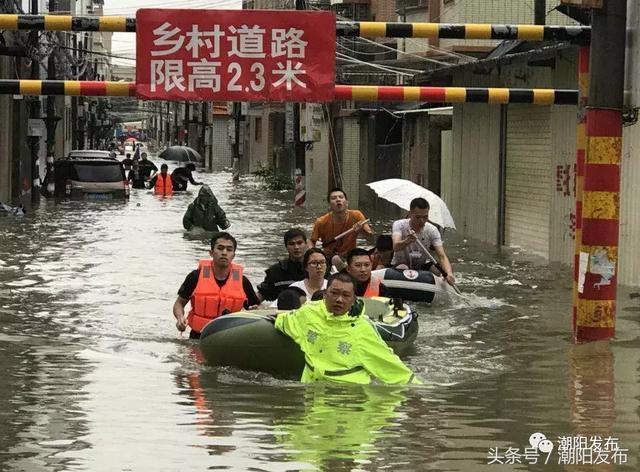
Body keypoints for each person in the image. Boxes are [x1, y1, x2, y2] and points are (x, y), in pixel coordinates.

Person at [274, 272, 421, 385]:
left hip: (348, 400)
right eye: (334, 293)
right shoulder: (308, 313)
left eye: (345, 295)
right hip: (311, 392)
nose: (339, 300)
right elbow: (284, 321)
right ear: (325, 294)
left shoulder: (362, 330)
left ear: (353, 300)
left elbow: (391, 366)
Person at [173, 232, 260, 339]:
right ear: (211, 253)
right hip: (199, 336)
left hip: (230, 337)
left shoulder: (243, 281)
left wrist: (253, 312)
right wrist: (180, 318)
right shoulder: (195, 276)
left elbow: (255, 309)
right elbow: (179, 303)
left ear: (233, 255)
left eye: (229, 249)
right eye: (220, 248)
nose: (224, 253)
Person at [391, 197, 455, 285]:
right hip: (400, 266)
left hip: (421, 267)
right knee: (403, 267)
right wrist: (407, 241)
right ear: (410, 214)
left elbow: (442, 256)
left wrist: (449, 273)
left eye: (425, 217)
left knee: (444, 268)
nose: (422, 221)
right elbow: (396, 246)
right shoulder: (399, 225)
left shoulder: (432, 230)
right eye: (417, 217)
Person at [309, 188, 374, 259]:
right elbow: (312, 241)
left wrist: (361, 230)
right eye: (334, 198)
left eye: (341, 197)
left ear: (347, 202)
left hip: (350, 257)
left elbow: (371, 238)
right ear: (329, 205)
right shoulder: (321, 222)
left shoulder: (357, 215)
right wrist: (313, 255)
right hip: (329, 258)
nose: (338, 200)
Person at [256, 228, 308, 302]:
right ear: (286, 247)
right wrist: (250, 304)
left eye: (299, 243)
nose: (296, 247)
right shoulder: (276, 271)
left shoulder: (316, 267)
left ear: (306, 244)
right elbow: (262, 294)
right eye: (291, 244)